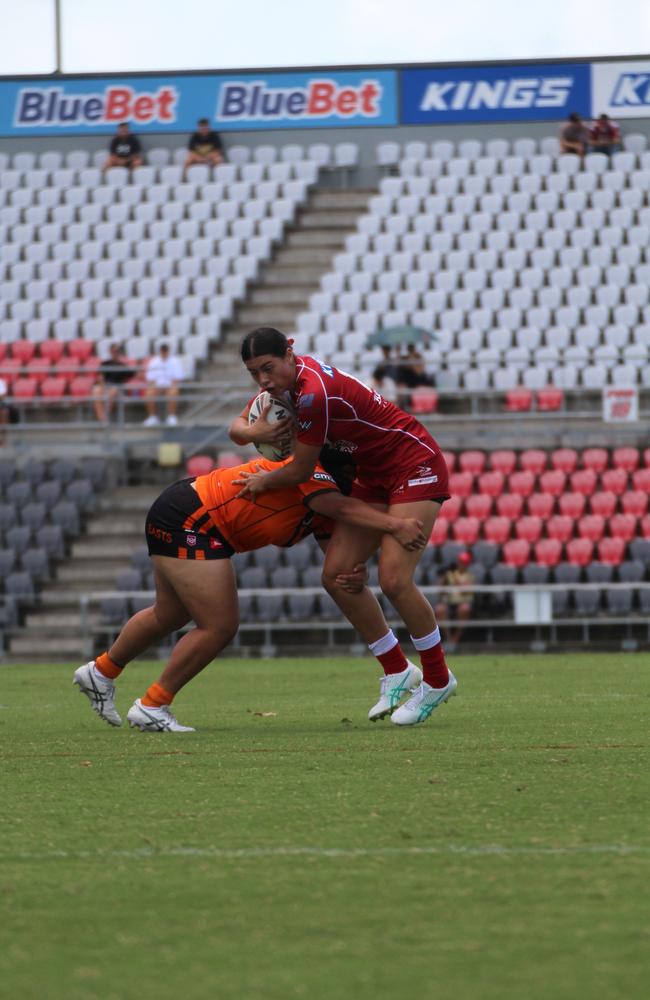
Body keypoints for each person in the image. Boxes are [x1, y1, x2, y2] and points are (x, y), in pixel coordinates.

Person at [72, 448, 426, 732]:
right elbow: (336, 506)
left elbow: (336, 561)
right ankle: (152, 704)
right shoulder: (312, 473)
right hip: (192, 518)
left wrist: (352, 570)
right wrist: (395, 525)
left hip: (187, 511)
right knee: (219, 626)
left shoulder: (333, 497)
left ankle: (101, 671)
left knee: (170, 614)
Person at [230, 327, 457, 727]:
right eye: (254, 374)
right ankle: (396, 669)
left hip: (412, 463)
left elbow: (300, 469)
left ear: (289, 353)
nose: (263, 380)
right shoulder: (281, 392)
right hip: (372, 474)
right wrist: (254, 432)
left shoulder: (313, 393)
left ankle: (438, 679)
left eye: (268, 368)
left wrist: (262, 481)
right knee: (337, 575)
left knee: (394, 580)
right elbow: (236, 427)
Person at [434, 551, 475, 652]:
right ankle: (448, 639)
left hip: (463, 602)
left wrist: (455, 580)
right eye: (461, 562)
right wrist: (444, 576)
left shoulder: (470, 576)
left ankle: (454, 640)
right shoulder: (449, 574)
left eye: (464, 562)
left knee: (464, 609)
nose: (462, 564)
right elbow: (441, 590)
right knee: (439, 609)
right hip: (450, 602)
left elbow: (465, 591)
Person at [143, 343, 184, 427]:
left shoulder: (175, 361)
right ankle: (152, 417)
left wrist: (169, 386)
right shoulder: (154, 362)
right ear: (160, 351)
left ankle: (171, 416)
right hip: (157, 386)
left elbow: (177, 378)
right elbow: (150, 378)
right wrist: (156, 387)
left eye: (165, 351)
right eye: (163, 351)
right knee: (149, 393)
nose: (164, 352)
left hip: (170, 385)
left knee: (173, 392)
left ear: (168, 351)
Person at [92, 343, 134, 423]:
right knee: (96, 390)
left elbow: (134, 375)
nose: (115, 353)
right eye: (113, 351)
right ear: (110, 352)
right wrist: (103, 385)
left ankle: (104, 419)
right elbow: (100, 377)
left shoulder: (123, 366)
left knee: (113, 391)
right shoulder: (105, 364)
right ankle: (103, 420)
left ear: (119, 352)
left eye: (117, 351)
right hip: (105, 386)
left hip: (117, 388)